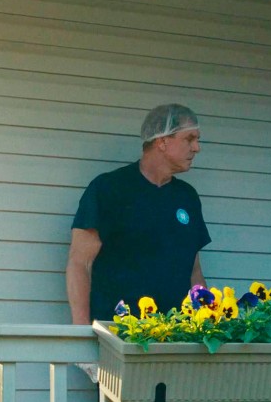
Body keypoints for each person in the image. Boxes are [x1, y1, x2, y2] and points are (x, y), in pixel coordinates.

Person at [66, 104, 211, 325]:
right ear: (162, 141)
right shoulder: (109, 189)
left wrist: (207, 325)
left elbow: (194, 271)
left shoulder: (187, 197)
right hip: (118, 334)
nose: (196, 148)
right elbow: (79, 263)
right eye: (189, 139)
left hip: (177, 334)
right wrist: (81, 332)